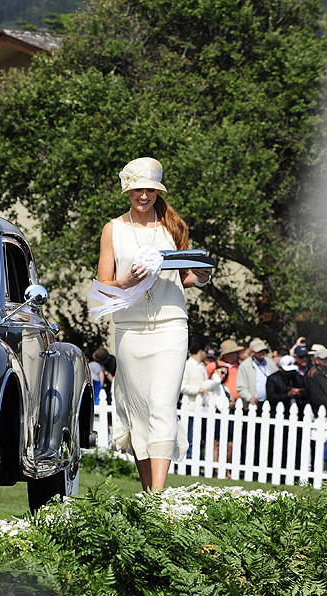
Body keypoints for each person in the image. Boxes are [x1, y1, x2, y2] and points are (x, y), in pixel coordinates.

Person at [92, 157, 212, 490]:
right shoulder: (113, 229)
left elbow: (184, 277)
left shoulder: (174, 226)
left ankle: (158, 497)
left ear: (158, 192)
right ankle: (149, 495)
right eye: (138, 190)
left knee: (161, 405)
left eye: (150, 190)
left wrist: (202, 276)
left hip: (171, 325)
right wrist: (126, 281)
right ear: (127, 191)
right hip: (130, 329)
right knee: (139, 412)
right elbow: (103, 286)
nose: (144, 196)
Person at [236, 338, 278, 407]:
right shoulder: (244, 366)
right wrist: (249, 397)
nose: (262, 353)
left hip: (271, 402)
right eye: (259, 351)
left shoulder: (271, 363)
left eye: (264, 351)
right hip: (253, 404)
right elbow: (241, 387)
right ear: (252, 352)